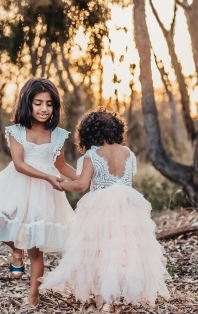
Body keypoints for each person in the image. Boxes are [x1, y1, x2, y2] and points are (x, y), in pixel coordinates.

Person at [39, 108, 170, 312]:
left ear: (89, 133)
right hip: (127, 205)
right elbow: (122, 180)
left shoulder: (92, 155)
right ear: (116, 129)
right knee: (123, 248)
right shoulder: (128, 153)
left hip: (100, 207)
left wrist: (60, 184)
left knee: (98, 249)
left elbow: (82, 185)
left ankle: (103, 295)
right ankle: (119, 291)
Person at [0, 78, 77, 310]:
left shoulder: (57, 134)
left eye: (49, 104)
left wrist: (81, 177)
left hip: (44, 194)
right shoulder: (17, 131)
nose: (43, 108)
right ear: (27, 103)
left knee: (36, 248)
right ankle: (15, 250)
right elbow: (19, 164)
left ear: (55, 107)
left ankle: (33, 296)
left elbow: (61, 166)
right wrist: (47, 177)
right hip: (17, 183)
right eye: (38, 103)